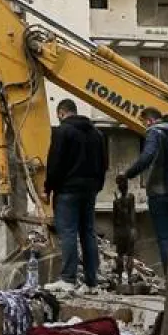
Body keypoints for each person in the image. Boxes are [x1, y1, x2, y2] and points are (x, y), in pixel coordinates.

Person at [45, 99, 107, 290]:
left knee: (68, 232)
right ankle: (91, 282)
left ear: (61, 113)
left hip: (68, 190)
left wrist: (48, 188)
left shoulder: (62, 132)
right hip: (90, 190)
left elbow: (55, 163)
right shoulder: (97, 133)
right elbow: (104, 164)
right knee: (88, 233)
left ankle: (68, 279)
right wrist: (97, 186)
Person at [116, 110, 168, 268]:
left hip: (160, 192)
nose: (144, 127)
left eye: (144, 123)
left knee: (165, 237)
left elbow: (147, 156)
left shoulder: (155, 132)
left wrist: (127, 174)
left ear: (150, 120)